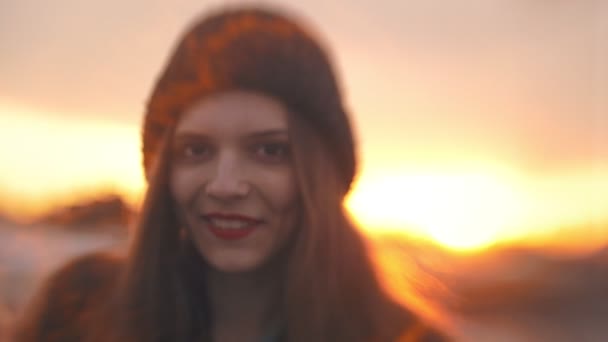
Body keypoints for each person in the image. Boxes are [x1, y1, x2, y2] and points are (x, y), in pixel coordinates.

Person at [13, 6, 450, 342]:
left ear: (321, 176)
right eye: (196, 150)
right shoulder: (77, 311)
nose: (224, 186)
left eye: (268, 151)